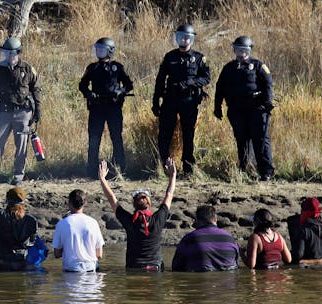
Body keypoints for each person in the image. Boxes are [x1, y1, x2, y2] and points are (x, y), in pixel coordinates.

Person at [152, 24, 210, 176]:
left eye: (186, 37)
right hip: (170, 100)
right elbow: (160, 80)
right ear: (176, 38)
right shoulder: (170, 57)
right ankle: (165, 166)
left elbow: (206, 78)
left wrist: (190, 83)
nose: (183, 40)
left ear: (191, 39)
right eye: (180, 37)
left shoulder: (198, 58)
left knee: (188, 135)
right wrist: (155, 101)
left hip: (189, 101)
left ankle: (188, 169)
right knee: (165, 134)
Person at [214, 36, 275, 181]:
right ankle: (244, 169)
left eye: (244, 50)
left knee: (260, 140)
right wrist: (217, 107)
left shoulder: (259, 65)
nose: (241, 53)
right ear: (234, 50)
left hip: (257, 109)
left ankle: (266, 172)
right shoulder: (228, 68)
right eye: (238, 50)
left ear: (249, 50)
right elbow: (219, 88)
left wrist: (267, 103)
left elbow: (268, 85)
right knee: (241, 140)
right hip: (236, 110)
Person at [98, 158, 176, 270]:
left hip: (134, 267)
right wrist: (173, 176)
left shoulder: (129, 221)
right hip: (155, 268)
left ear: (134, 204)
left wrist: (102, 179)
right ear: (149, 204)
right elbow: (169, 194)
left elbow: (112, 199)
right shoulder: (158, 218)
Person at [0, 37, 41, 185]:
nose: (9, 56)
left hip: (23, 112)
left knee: (22, 144)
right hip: (4, 111)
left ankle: (18, 174)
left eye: (12, 53)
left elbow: (36, 90)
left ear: (18, 53)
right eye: (6, 53)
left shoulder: (28, 68)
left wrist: (37, 111)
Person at [79, 37, 133, 178]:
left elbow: (129, 85)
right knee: (94, 139)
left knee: (116, 137)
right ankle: (92, 171)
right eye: (97, 49)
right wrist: (89, 94)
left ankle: (120, 169)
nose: (99, 52)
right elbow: (82, 85)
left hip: (113, 107)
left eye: (102, 49)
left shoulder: (117, 67)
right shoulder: (92, 68)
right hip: (96, 107)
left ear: (109, 51)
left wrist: (120, 91)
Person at [172, 205, 239, 272]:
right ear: (215, 218)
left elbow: (176, 267)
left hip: (199, 280)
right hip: (226, 280)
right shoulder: (231, 239)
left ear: (197, 220)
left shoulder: (188, 239)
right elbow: (236, 265)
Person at [52, 189, 105, 272]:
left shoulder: (62, 224)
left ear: (69, 203)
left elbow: (57, 254)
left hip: (71, 271)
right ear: (85, 203)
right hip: (91, 271)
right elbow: (99, 255)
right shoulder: (93, 222)